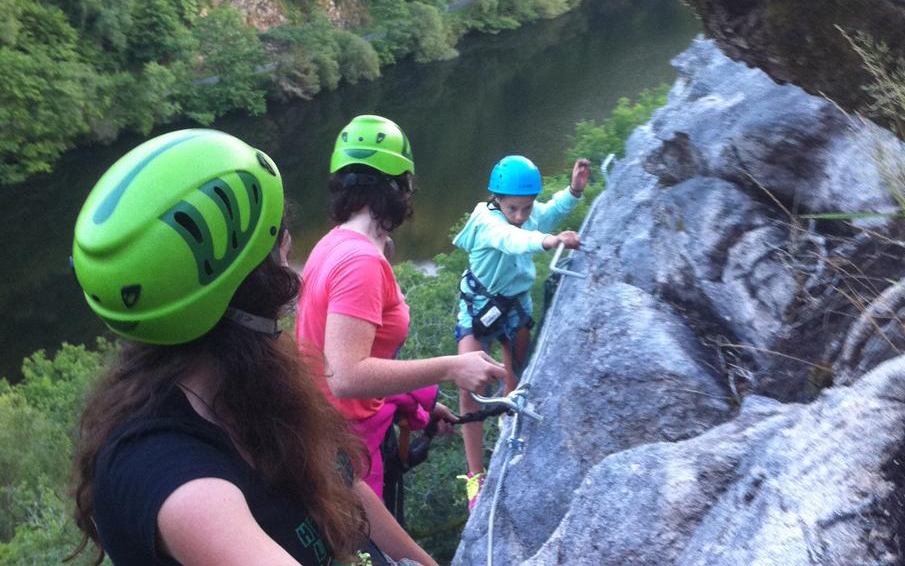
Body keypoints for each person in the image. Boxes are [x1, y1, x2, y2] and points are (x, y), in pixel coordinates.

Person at [68, 128, 437, 566]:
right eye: (279, 240)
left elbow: (342, 484)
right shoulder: (168, 477)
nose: (288, 250)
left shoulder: (253, 385)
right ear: (253, 284)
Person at [295, 114, 504, 502]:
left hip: (331, 431)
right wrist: (452, 367)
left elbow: (329, 363)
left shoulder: (332, 243)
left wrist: (421, 403)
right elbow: (345, 376)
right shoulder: (361, 262)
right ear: (397, 188)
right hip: (352, 451)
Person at [451, 154, 590, 509]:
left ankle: (507, 427)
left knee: (516, 375)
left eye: (526, 208)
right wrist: (548, 241)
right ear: (497, 199)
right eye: (514, 208)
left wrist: (574, 191)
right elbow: (510, 238)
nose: (522, 216)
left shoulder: (528, 213)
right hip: (480, 305)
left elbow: (550, 212)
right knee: (469, 387)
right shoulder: (487, 221)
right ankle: (475, 476)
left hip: (514, 306)